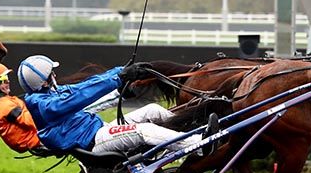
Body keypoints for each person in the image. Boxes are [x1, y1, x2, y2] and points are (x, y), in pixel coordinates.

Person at [16, 55, 218, 154]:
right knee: (144, 130)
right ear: (42, 80)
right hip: (94, 142)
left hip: (100, 131)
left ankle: (192, 132)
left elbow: (86, 86)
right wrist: (117, 79)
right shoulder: (44, 105)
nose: (55, 74)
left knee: (152, 110)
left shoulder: (51, 94)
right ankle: (198, 145)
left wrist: (121, 72)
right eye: (51, 72)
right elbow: (83, 95)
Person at [0, 63, 41, 153]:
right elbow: (30, 120)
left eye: (7, 78)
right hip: (35, 140)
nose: (8, 82)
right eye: (3, 80)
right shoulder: (4, 105)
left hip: (31, 140)